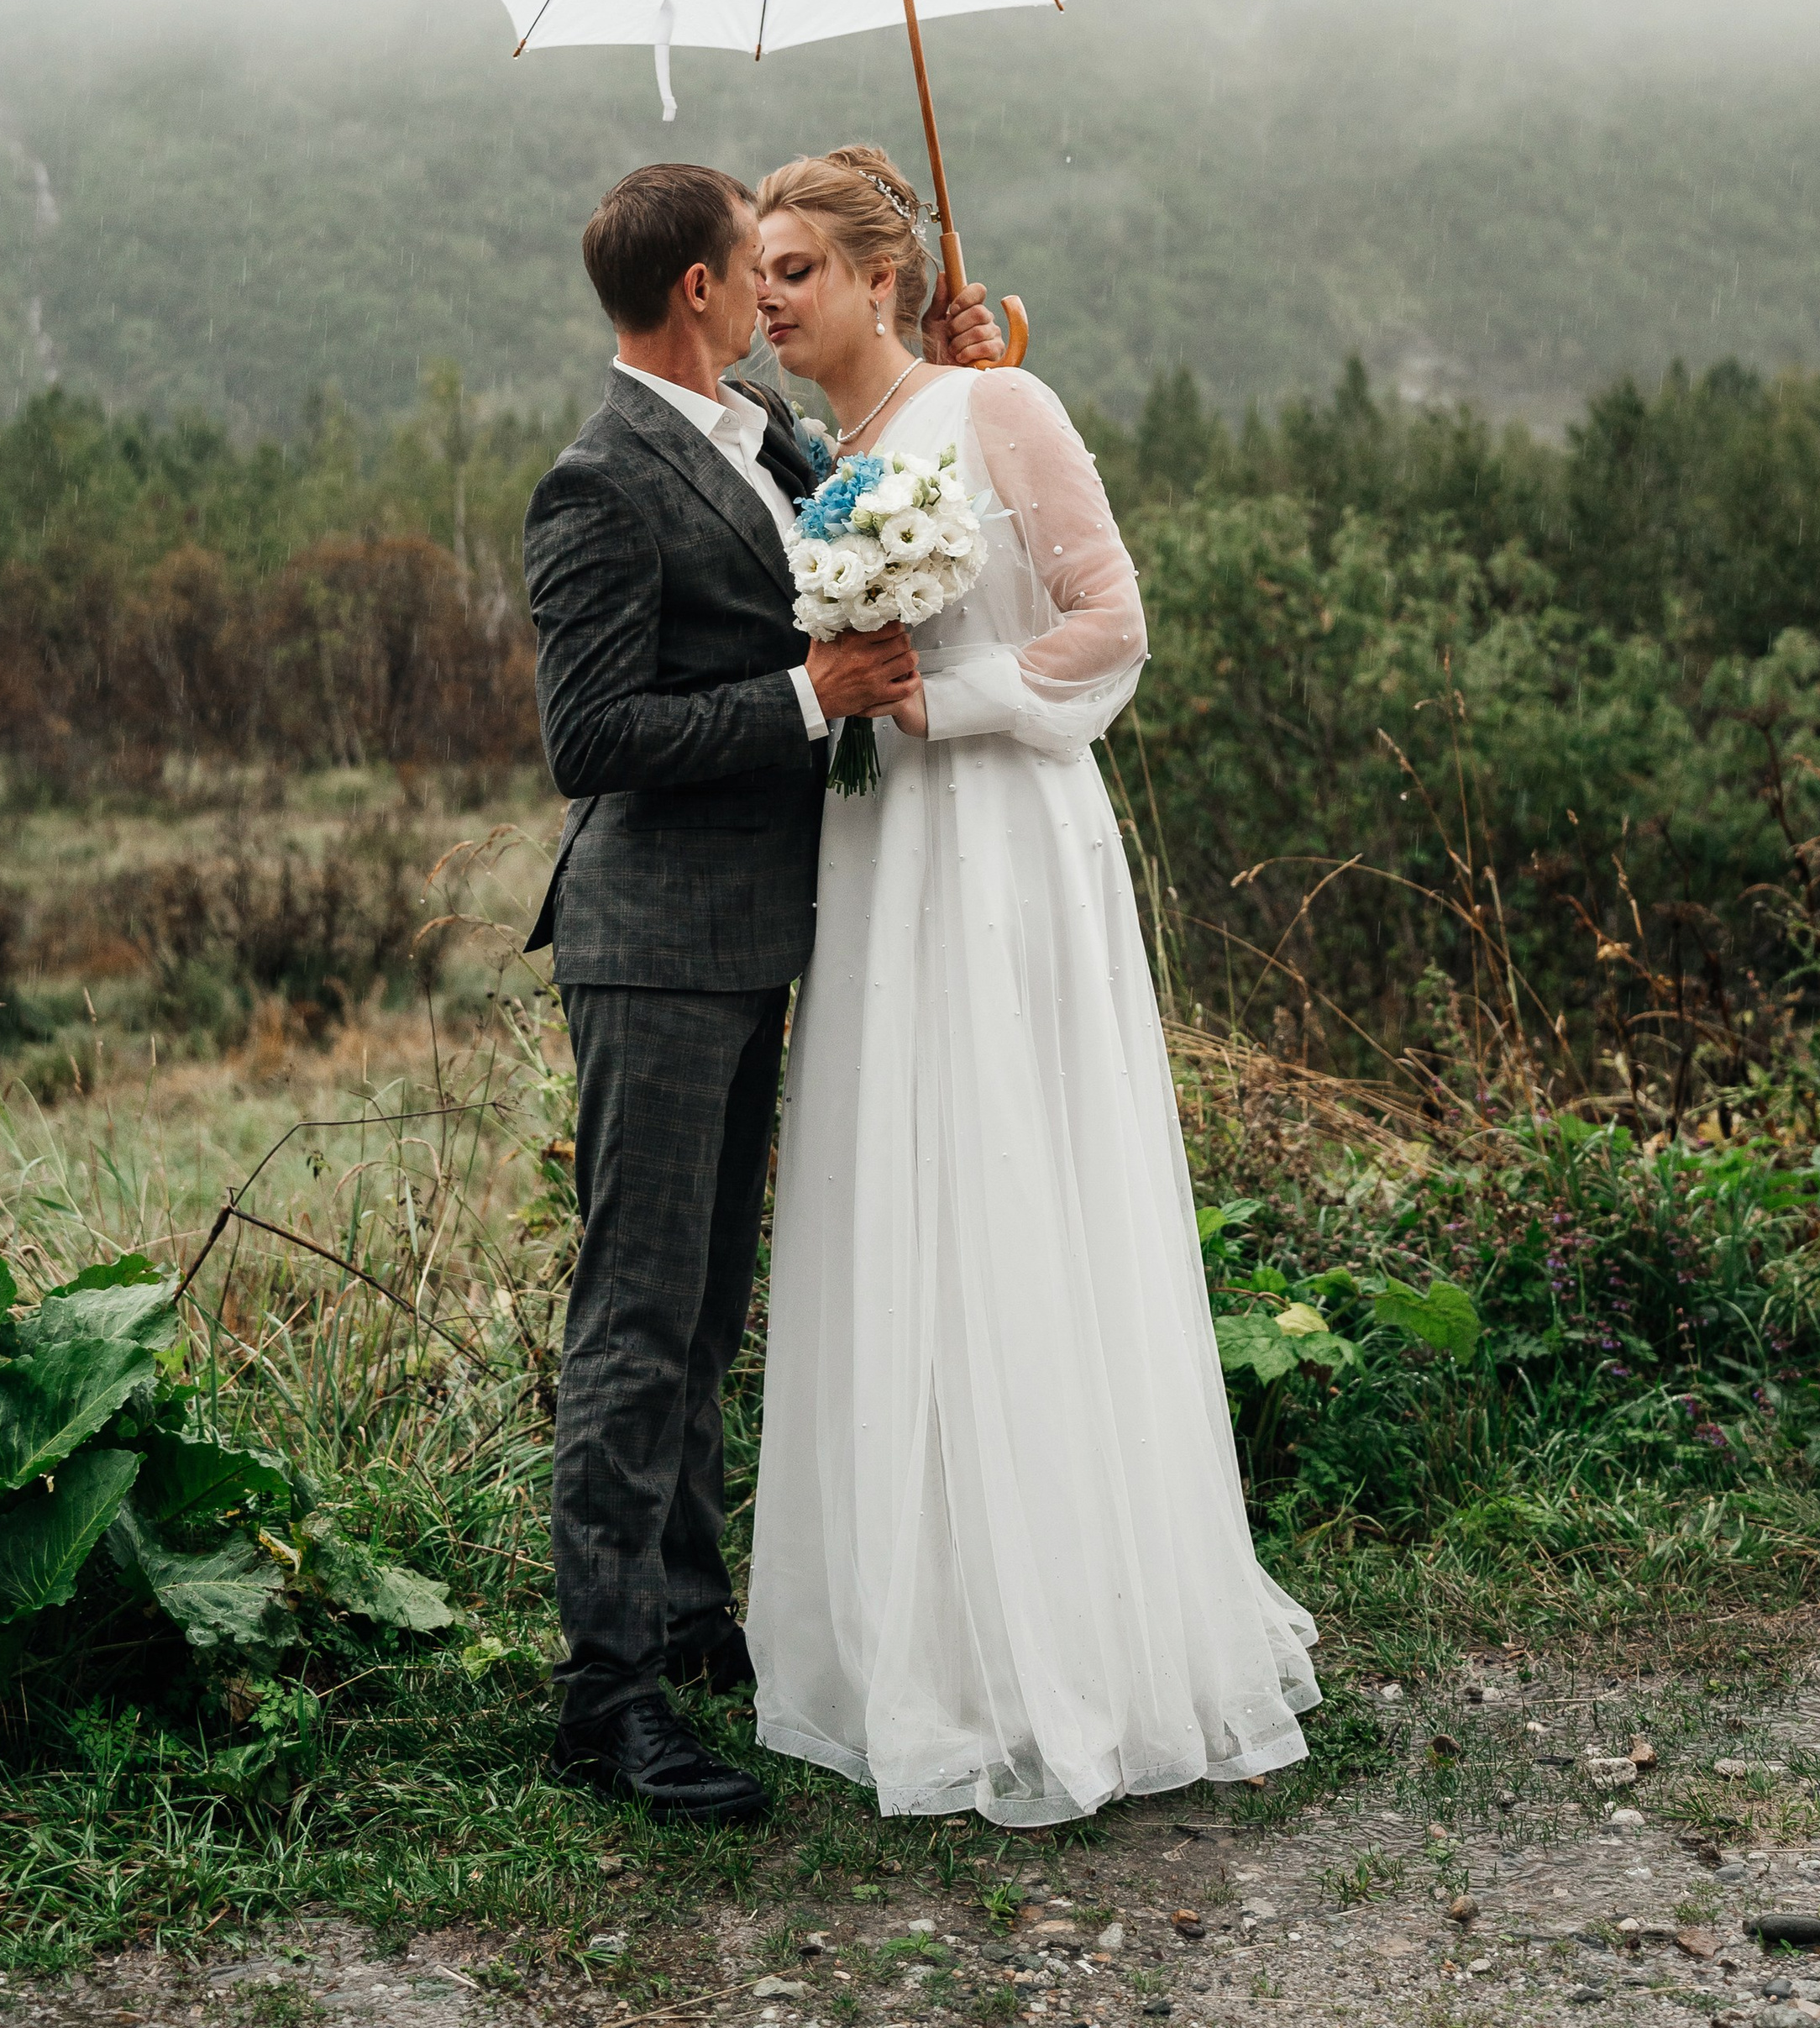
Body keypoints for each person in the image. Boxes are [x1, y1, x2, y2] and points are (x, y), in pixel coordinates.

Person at [745, 144, 1320, 1827]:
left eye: (793, 268)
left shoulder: (1000, 408)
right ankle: (920, 1633)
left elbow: (1110, 615)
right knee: (899, 1195)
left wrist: (963, 693)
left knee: (1013, 1183)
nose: (767, 295)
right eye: (755, 270)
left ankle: (1069, 1639)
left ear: (871, 275)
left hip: (999, 835)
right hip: (880, 861)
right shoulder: (827, 452)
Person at [521, 162, 1002, 1828]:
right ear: (698, 296)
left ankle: (685, 1616)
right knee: (638, 1321)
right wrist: (802, 697)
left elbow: (862, 493)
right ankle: (603, 1698)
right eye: (753, 267)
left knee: (707, 1307)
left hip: (750, 936)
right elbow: (590, 740)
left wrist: (957, 366)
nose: (773, 294)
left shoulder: (756, 441)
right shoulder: (598, 479)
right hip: (650, 940)